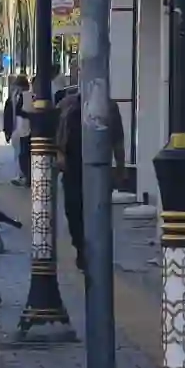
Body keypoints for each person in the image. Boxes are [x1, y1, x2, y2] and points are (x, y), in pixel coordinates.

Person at [55, 86, 126, 266]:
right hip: (73, 168)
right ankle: (80, 246)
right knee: (74, 210)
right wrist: (59, 155)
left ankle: (95, 252)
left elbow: (118, 139)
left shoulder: (109, 107)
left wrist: (120, 167)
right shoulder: (67, 105)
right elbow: (56, 135)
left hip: (99, 169)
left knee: (98, 211)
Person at [2, 74, 32, 185]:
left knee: (22, 153)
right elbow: (7, 115)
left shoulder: (28, 97)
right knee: (18, 153)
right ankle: (21, 175)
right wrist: (7, 131)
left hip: (24, 129)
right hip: (16, 129)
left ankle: (23, 175)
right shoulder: (12, 99)